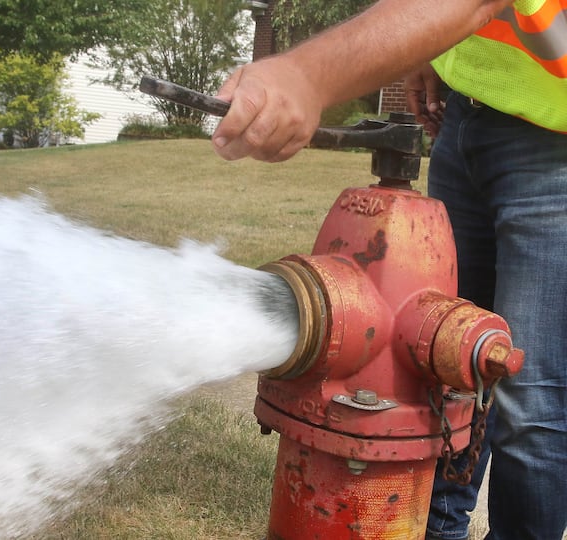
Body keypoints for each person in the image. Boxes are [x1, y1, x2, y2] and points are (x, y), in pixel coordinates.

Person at [212, 2, 567, 539]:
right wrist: (434, 47)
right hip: (465, 118)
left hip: (554, 145)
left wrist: (306, 75)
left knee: (529, 407)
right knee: (444, 370)